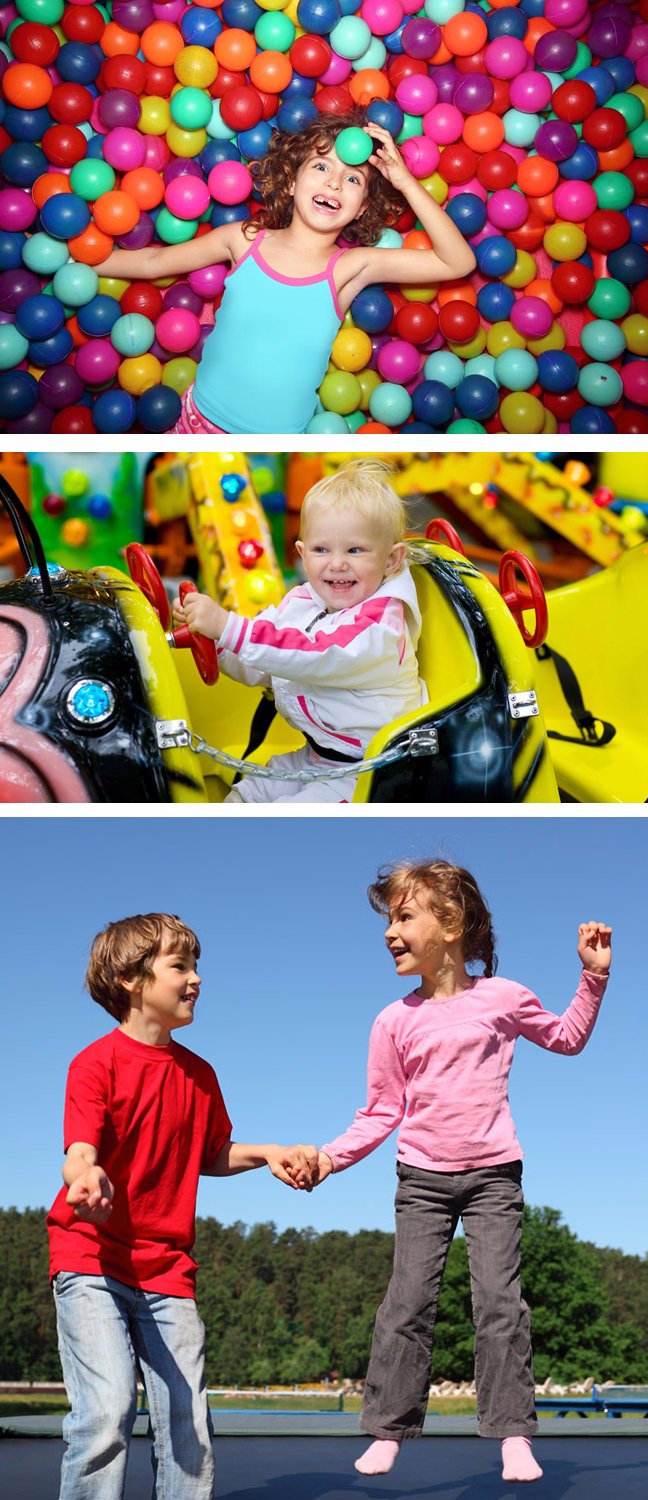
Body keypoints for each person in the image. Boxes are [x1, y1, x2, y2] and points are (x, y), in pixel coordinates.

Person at [309, 859, 612, 1483]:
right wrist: (330, 1158)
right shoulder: (393, 1021)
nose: (390, 932)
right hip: (421, 1179)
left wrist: (592, 977)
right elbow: (381, 1110)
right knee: (407, 1303)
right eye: (388, 920)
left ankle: (513, 1436)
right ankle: (388, 1429)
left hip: (493, 1176)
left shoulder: (502, 998)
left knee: (500, 1304)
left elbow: (565, 1038)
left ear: (450, 924)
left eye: (403, 916)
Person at [47, 912, 318, 1500]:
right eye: (180, 966)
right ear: (130, 979)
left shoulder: (200, 1075)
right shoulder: (95, 1063)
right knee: (107, 1410)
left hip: (167, 1269)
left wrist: (268, 1153)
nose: (195, 978)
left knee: (188, 1425)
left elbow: (211, 1153)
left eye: (196, 966)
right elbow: (79, 1148)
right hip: (91, 1259)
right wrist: (84, 1174)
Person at [95, 114, 476, 435]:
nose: (334, 183)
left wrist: (405, 182)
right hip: (197, 423)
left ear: (361, 209)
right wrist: (85, 262)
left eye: (353, 179)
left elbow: (457, 262)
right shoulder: (243, 240)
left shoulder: (350, 267)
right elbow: (153, 263)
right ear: (292, 182)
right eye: (322, 166)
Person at [173, 460, 427, 803]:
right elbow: (268, 663)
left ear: (391, 560)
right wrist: (216, 643)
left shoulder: (380, 628)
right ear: (302, 555)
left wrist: (228, 627)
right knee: (249, 793)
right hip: (320, 754)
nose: (336, 563)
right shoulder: (304, 602)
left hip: (372, 772)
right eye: (322, 550)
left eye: (355, 550)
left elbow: (313, 653)